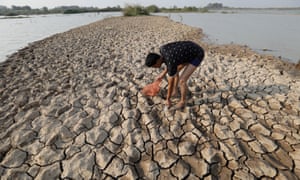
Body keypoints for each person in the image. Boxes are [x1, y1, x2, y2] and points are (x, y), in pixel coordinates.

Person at [145, 41, 205, 109]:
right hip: (188, 49)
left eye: (154, 66)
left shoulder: (170, 61)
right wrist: (162, 74)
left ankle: (182, 102)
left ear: (157, 60)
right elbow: (171, 64)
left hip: (197, 54)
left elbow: (170, 84)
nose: (154, 68)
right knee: (175, 70)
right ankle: (175, 91)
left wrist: (168, 99)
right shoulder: (162, 49)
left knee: (182, 81)